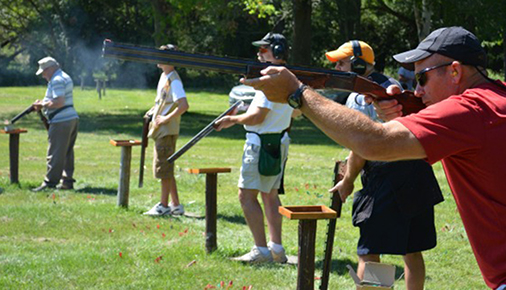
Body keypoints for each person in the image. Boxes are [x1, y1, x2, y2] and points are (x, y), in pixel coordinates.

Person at [240, 26, 506, 289]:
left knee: (371, 252)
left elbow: (373, 142)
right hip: (415, 184)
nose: (417, 92)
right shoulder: (497, 97)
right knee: (410, 251)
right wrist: (405, 117)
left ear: (456, 71)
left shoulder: (470, 109)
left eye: (421, 79)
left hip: (385, 182)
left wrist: (297, 93)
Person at [325, 41, 443, 290]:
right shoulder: (390, 84)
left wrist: (347, 181)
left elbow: (363, 147)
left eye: (343, 62)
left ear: (358, 65)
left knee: (370, 253)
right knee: (412, 250)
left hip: (386, 177)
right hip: (416, 171)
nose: (337, 66)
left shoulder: (362, 97)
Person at [215, 33, 294, 263]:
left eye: (264, 50)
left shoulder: (269, 80)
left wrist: (233, 120)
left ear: (278, 51)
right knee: (270, 195)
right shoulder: (289, 78)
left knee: (246, 196)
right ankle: (277, 249)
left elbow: (258, 116)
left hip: (260, 144)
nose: (259, 54)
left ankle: (261, 250)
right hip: (278, 141)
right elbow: (292, 112)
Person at [143, 44, 189, 216]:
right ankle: (175, 204)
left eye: (161, 55)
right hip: (161, 130)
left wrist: (165, 119)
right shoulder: (165, 76)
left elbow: (183, 105)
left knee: (163, 169)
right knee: (166, 167)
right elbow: (162, 102)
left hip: (167, 131)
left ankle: (163, 206)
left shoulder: (174, 80)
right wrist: (153, 113)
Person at [32, 57, 79, 192]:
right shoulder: (64, 77)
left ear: (50, 68)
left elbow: (59, 102)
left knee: (55, 152)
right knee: (67, 152)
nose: (43, 75)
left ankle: (50, 182)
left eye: (44, 71)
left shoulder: (57, 80)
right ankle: (67, 181)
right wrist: (44, 102)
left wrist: (42, 104)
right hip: (70, 118)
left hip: (61, 120)